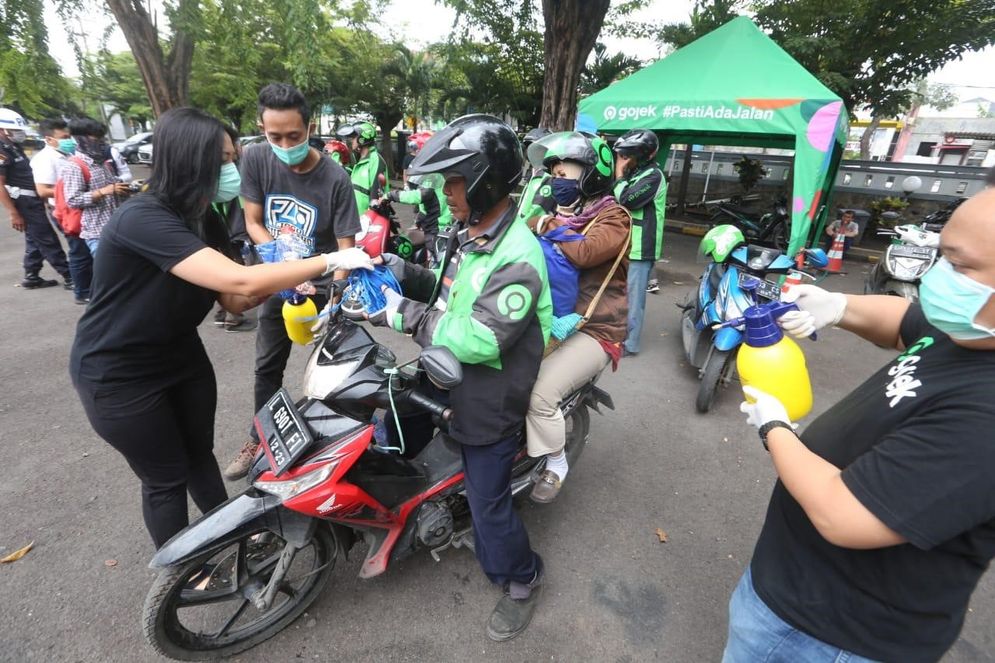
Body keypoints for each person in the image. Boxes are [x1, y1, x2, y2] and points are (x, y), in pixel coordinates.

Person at [69, 107, 373, 548]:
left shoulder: (204, 217)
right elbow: (239, 280)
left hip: (181, 357)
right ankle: (186, 572)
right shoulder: (143, 217)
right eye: (225, 160)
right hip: (119, 374)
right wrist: (332, 259)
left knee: (198, 457)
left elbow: (234, 298)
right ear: (193, 160)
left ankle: (230, 537)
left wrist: (284, 284)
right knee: (166, 477)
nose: (234, 169)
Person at [726, 186, 995, 662]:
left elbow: (844, 515)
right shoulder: (974, 331)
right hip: (796, 589)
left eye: (959, 265)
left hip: (827, 635)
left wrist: (775, 428)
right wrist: (838, 308)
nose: (939, 278)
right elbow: (906, 322)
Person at [369, 114, 551, 642]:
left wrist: (408, 316)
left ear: (483, 181)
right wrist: (399, 272)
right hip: (443, 369)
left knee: (487, 504)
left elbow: (483, 337)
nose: (444, 192)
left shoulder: (518, 254)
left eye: (452, 182)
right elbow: (448, 293)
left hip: (488, 392)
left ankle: (523, 578)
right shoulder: (469, 230)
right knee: (392, 422)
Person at [223, 83, 362, 481]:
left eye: (294, 136)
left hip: (324, 286)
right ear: (262, 128)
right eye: (275, 136)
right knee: (267, 366)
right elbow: (253, 221)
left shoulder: (335, 178)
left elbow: (345, 246)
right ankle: (257, 440)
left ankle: (343, 452)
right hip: (279, 280)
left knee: (337, 370)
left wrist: (335, 301)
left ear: (310, 126)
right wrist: (282, 261)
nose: (285, 144)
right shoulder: (256, 159)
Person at [523, 131, 630, 503]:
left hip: (594, 327)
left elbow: (585, 252)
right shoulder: (564, 214)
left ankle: (556, 462)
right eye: (553, 174)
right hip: (548, 315)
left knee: (539, 394)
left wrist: (545, 225)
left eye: (564, 174)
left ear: (591, 175)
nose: (557, 181)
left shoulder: (615, 218)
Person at [0, 108, 73, 291]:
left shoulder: (12, 146)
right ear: (3, 129)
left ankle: (32, 275)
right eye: (16, 131)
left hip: (32, 199)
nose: (20, 134)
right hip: (23, 201)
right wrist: (14, 213)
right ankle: (69, 275)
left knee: (35, 238)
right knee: (47, 238)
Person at [612, 128, 666, 356]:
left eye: (628, 155)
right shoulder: (637, 173)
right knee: (618, 295)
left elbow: (627, 200)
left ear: (644, 155)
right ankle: (616, 335)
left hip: (640, 248)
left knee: (634, 300)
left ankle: (629, 344)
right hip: (625, 245)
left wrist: (619, 174)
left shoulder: (653, 177)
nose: (624, 160)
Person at [31, 118, 94, 304]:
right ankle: (82, 291)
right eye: (64, 137)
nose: (69, 140)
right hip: (65, 211)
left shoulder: (68, 154)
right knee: (79, 250)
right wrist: (77, 189)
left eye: (69, 136)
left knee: (88, 249)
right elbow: (42, 190)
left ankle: (91, 287)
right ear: (49, 139)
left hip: (79, 207)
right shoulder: (44, 160)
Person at [210, 125, 256, 332]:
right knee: (236, 271)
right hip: (234, 232)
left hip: (226, 231)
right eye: (223, 158)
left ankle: (224, 313)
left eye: (231, 155)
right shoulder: (159, 219)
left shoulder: (225, 178)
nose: (230, 162)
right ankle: (231, 317)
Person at [63, 117, 131, 257]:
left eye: (102, 138)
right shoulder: (74, 166)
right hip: (97, 234)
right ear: (80, 139)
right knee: (109, 275)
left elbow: (113, 188)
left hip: (117, 227)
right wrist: (103, 191)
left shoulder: (102, 163)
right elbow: (72, 200)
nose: (101, 142)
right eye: (96, 138)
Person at [381, 172, 452, 266]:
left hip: (438, 227)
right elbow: (425, 207)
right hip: (430, 223)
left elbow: (419, 196)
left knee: (434, 257)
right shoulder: (432, 175)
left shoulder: (435, 176)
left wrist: (390, 195)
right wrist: (418, 222)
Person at [338, 121, 387, 214]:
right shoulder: (361, 160)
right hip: (357, 216)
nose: (350, 140)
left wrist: (370, 217)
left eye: (353, 137)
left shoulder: (375, 159)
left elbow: (376, 194)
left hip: (368, 219)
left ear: (363, 138)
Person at [514, 127, 555, 225]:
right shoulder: (534, 173)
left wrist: (519, 227)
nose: (530, 152)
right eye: (528, 147)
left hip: (530, 230)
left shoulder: (547, 177)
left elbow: (538, 209)